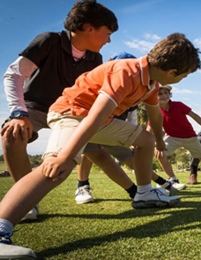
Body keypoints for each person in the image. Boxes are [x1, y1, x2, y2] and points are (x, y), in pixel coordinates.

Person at [0, 32, 201, 258]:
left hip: (97, 120)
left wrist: (158, 141)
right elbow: (93, 117)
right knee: (57, 167)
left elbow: (154, 116)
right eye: (183, 76)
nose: (181, 79)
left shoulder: (151, 84)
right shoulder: (127, 71)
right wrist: (64, 156)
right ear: (172, 72)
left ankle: (144, 194)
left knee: (145, 140)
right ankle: (1, 230)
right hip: (70, 113)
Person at [1, 0, 118, 221]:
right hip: (35, 108)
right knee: (11, 136)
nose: (109, 40)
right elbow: (14, 74)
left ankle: (136, 190)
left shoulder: (97, 59)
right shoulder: (48, 40)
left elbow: (95, 96)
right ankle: (26, 201)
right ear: (89, 28)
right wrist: (19, 113)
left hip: (69, 111)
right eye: (107, 33)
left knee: (90, 152)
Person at [74, 52, 183, 205]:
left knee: (135, 153)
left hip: (111, 126)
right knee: (94, 154)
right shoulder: (116, 78)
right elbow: (94, 116)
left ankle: (146, 190)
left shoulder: (139, 89)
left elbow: (144, 117)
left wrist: (144, 140)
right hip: (87, 120)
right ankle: (83, 185)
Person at [147, 85, 201, 186]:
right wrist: (155, 143)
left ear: (169, 94)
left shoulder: (179, 105)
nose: (164, 96)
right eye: (160, 94)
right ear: (154, 96)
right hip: (172, 137)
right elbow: (149, 130)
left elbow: (195, 116)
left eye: (166, 93)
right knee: (160, 154)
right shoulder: (155, 110)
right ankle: (173, 179)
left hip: (190, 137)